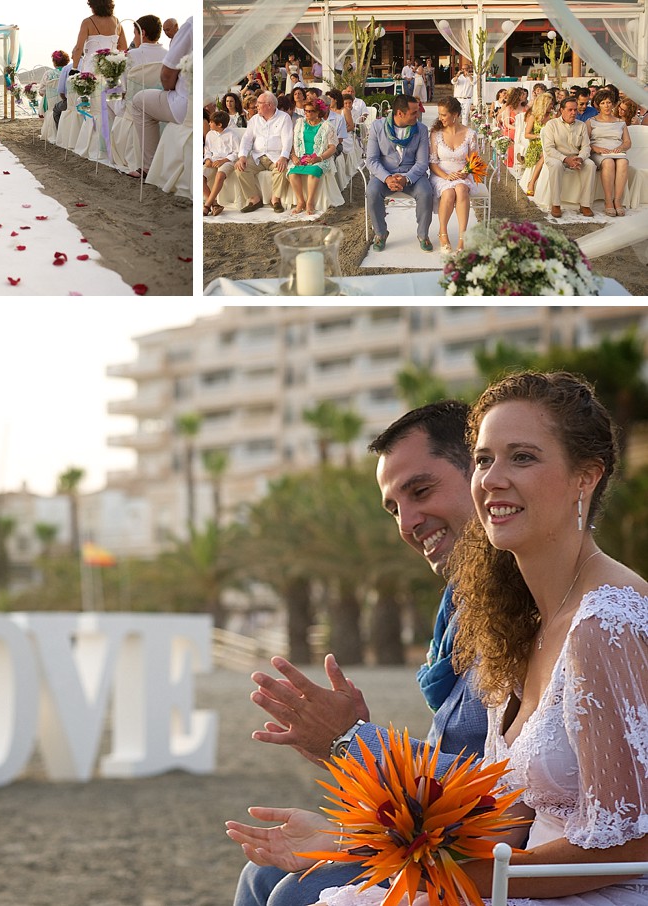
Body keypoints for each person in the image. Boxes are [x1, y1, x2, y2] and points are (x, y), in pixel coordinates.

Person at [307, 371, 648, 906]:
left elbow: (630, 842)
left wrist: (454, 881)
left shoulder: (606, 622)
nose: (492, 479)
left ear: (585, 477)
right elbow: (512, 813)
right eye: (485, 460)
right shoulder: (518, 622)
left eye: (522, 458)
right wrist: (362, 846)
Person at [226, 400, 489, 906]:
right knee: (260, 875)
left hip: (497, 848)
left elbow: (507, 783)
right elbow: (461, 761)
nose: (408, 523)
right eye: (394, 509)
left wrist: (351, 739)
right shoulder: (461, 608)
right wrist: (345, 750)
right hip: (450, 833)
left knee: (292, 894)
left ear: (482, 475)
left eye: (421, 491)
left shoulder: (529, 605)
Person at [365, 93, 433, 253]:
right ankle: (381, 233)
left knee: (426, 192)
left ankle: (423, 235)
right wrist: (387, 178)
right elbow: (372, 160)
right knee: (372, 192)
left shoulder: (421, 129)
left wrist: (406, 178)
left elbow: (422, 163)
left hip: (412, 174)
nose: (418, 115)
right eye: (414, 112)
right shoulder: (377, 127)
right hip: (384, 174)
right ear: (400, 113)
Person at [127, 14, 191, 178]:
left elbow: (167, 77)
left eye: (134, 34)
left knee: (137, 102)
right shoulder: (165, 52)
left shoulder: (132, 55)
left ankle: (149, 167)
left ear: (142, 33)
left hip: (182, 106)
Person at [429, 97, 475, 253]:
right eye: (439, 114)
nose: (440, 118)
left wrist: (465, 172)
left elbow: (474, 161)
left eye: (444, 115)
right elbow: (432, 163)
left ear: (455, 114)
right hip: (441, 174)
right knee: (448, 193)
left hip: (462, 174)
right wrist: (446, 176)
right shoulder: (436, 134)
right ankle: (443, 233)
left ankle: (463, 238)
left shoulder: (470, 134)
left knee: (461, 190)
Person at [234, 90, 293, 213]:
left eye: (259, 103)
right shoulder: (255, 119)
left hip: (276, 156)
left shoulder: (284, 117)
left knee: (282, 169)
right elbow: (247, 139)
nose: (256, 106)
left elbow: (287, 139)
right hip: (258, 156)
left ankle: (275, 199)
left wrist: (283, 157)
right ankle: (254, 199)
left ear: (269, 105)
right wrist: (242, 156)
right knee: (240, 168)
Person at [541, 96, 597, 218]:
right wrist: (566, 159)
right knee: (556, 165)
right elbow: (549, 148)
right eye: (570, 110)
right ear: (562, 110)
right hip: (556, 156)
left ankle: (585, 204)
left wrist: (580, 158)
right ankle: (556, 204)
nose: (573, 112)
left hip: (576, 157)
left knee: (591, 165)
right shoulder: (552, 124)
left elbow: (586, 147)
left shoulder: (581, 125)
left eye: (575, 110)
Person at [287, 97, 336, 217]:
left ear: (318, 112)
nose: (307, 113)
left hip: (319, 157)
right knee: (292, 173)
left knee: (313, 171)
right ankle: (300, 201)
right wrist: (293, 156)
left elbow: (332, 148)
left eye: (311, 111)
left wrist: (319, 158)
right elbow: (293, 143)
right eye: (306, 111)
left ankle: (310, 202)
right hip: (300, 156)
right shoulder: (299, 123)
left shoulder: (327, 126)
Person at [587, 87, 631, 217]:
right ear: (597, 105)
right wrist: (596, 148)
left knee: (623, 162)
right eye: (602, 103)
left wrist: (621, 148)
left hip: (617, 151)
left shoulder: (620, 122)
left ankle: (617, 200)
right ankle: (608, 200)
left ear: (613, 104)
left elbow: (628, 142)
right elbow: (585, 143)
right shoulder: (591, 121)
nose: (606, 106)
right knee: (608, 162)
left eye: (608, 102)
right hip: (599, 153)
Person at [203, 110, 238, 216]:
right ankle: (214, 204)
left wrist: (223, 160)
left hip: (228, 161)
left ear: (219, 125)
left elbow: (237, 152)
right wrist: (207, 159)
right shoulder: (209, 134)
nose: (209, 124)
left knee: (220, 175)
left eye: (211, 122)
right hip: (213, 160)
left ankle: (207, 205)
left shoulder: (232, 135)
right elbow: (207, 150)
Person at [522, 91, 556, 197]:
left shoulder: (553, 116)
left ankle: (532, 182)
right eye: (550, 104)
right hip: (536, 146)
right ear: (544, 104)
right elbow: (526, 135)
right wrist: (539, 136)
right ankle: (532, 183)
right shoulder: (533, 117)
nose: (552, 106)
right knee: (545, 155)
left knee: (546, 153)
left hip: (549, 145)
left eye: (552, 104)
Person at [52, 51, 73, 127]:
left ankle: (59, 131)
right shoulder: (88, 66)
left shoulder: (66, 69)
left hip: (69, 103)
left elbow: (61, 92)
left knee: (56, 109)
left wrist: (65, 99)